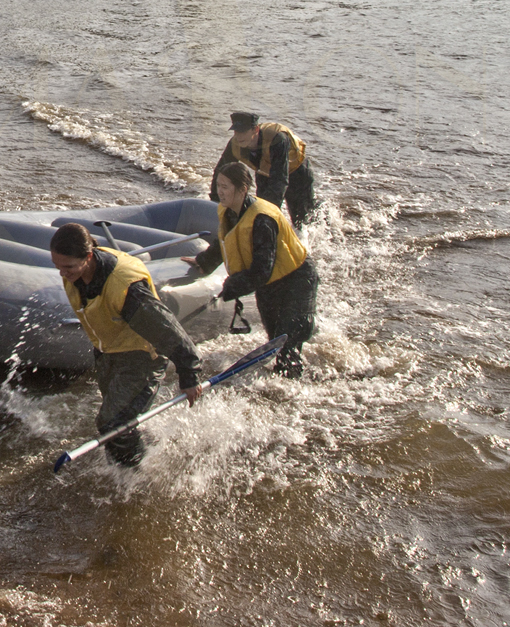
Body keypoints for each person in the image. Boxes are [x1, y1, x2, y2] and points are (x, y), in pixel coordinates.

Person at [52, 223, 204, 467]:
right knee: (118, 421)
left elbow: (166, 329)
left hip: (141, 356)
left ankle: (138, 473)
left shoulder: (125, 288)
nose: (62, 274)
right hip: (108, 352)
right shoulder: (77, 273)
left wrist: (189, 373)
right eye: (57, 266)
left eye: (68, 267)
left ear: (89, 256)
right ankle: (129, 464)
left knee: (112, 423)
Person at [185, 161, 319, 378]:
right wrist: (205, 261)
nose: (219, 191)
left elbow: (262, 270)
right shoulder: (227, 211)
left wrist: (232, 287)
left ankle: (293, 388)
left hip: (296, 280)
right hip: (269, 283)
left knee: (287, 342)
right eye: (218, 185)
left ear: (242, 189)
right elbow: (225, 241)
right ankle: (277, 383)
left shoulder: (262, 219)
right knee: (274, 337)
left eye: (225, 186)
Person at [211, 112, 317, 230]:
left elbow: (279, 181)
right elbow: (221, 171)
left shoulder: (277, 139)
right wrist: (215, 201)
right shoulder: (235, 143)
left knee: (301, 220)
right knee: (260, 210)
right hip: (264, 173)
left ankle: (321, 214)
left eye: (243, 132)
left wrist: (266, 214)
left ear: (255, 130)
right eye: (236, 132)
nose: (239, 136)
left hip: (296, 172)